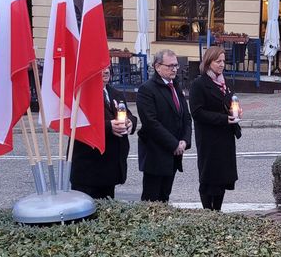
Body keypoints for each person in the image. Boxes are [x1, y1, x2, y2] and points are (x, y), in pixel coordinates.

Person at [70, 67, 137, 199]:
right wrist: (108, 126)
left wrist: (130, 122)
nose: (106, 71)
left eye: (107, 67)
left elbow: (127, 113)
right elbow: (78, 124)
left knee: (106, 211)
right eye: (100, 68)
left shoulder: (115, 93)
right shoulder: (81, 94)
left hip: (110, 169)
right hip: (88, 169)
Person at [189, 46, 242, 211]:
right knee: (209, 178)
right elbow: (197, 113)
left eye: (223, 61)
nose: (221, 64)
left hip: (225, 137)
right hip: (209, 138)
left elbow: (227, 103)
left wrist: (235, 111)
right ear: (208, 62)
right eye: (218, 61)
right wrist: (224, 118)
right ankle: (208, 212)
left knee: (222, 178)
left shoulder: (223, 82)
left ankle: (217, 211)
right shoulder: (199, 83)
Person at [136, 49, 192, 202]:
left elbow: (186, 118)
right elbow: (151, 123)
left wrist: (184, 141)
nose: (174, 69)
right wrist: (174, 144)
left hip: (174, 154)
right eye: (170, 66)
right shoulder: (147, 89)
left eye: (176, 65)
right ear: (157, 66)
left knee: (165, 197)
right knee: (151, 200)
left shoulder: (175, 86)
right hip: (155, 154)